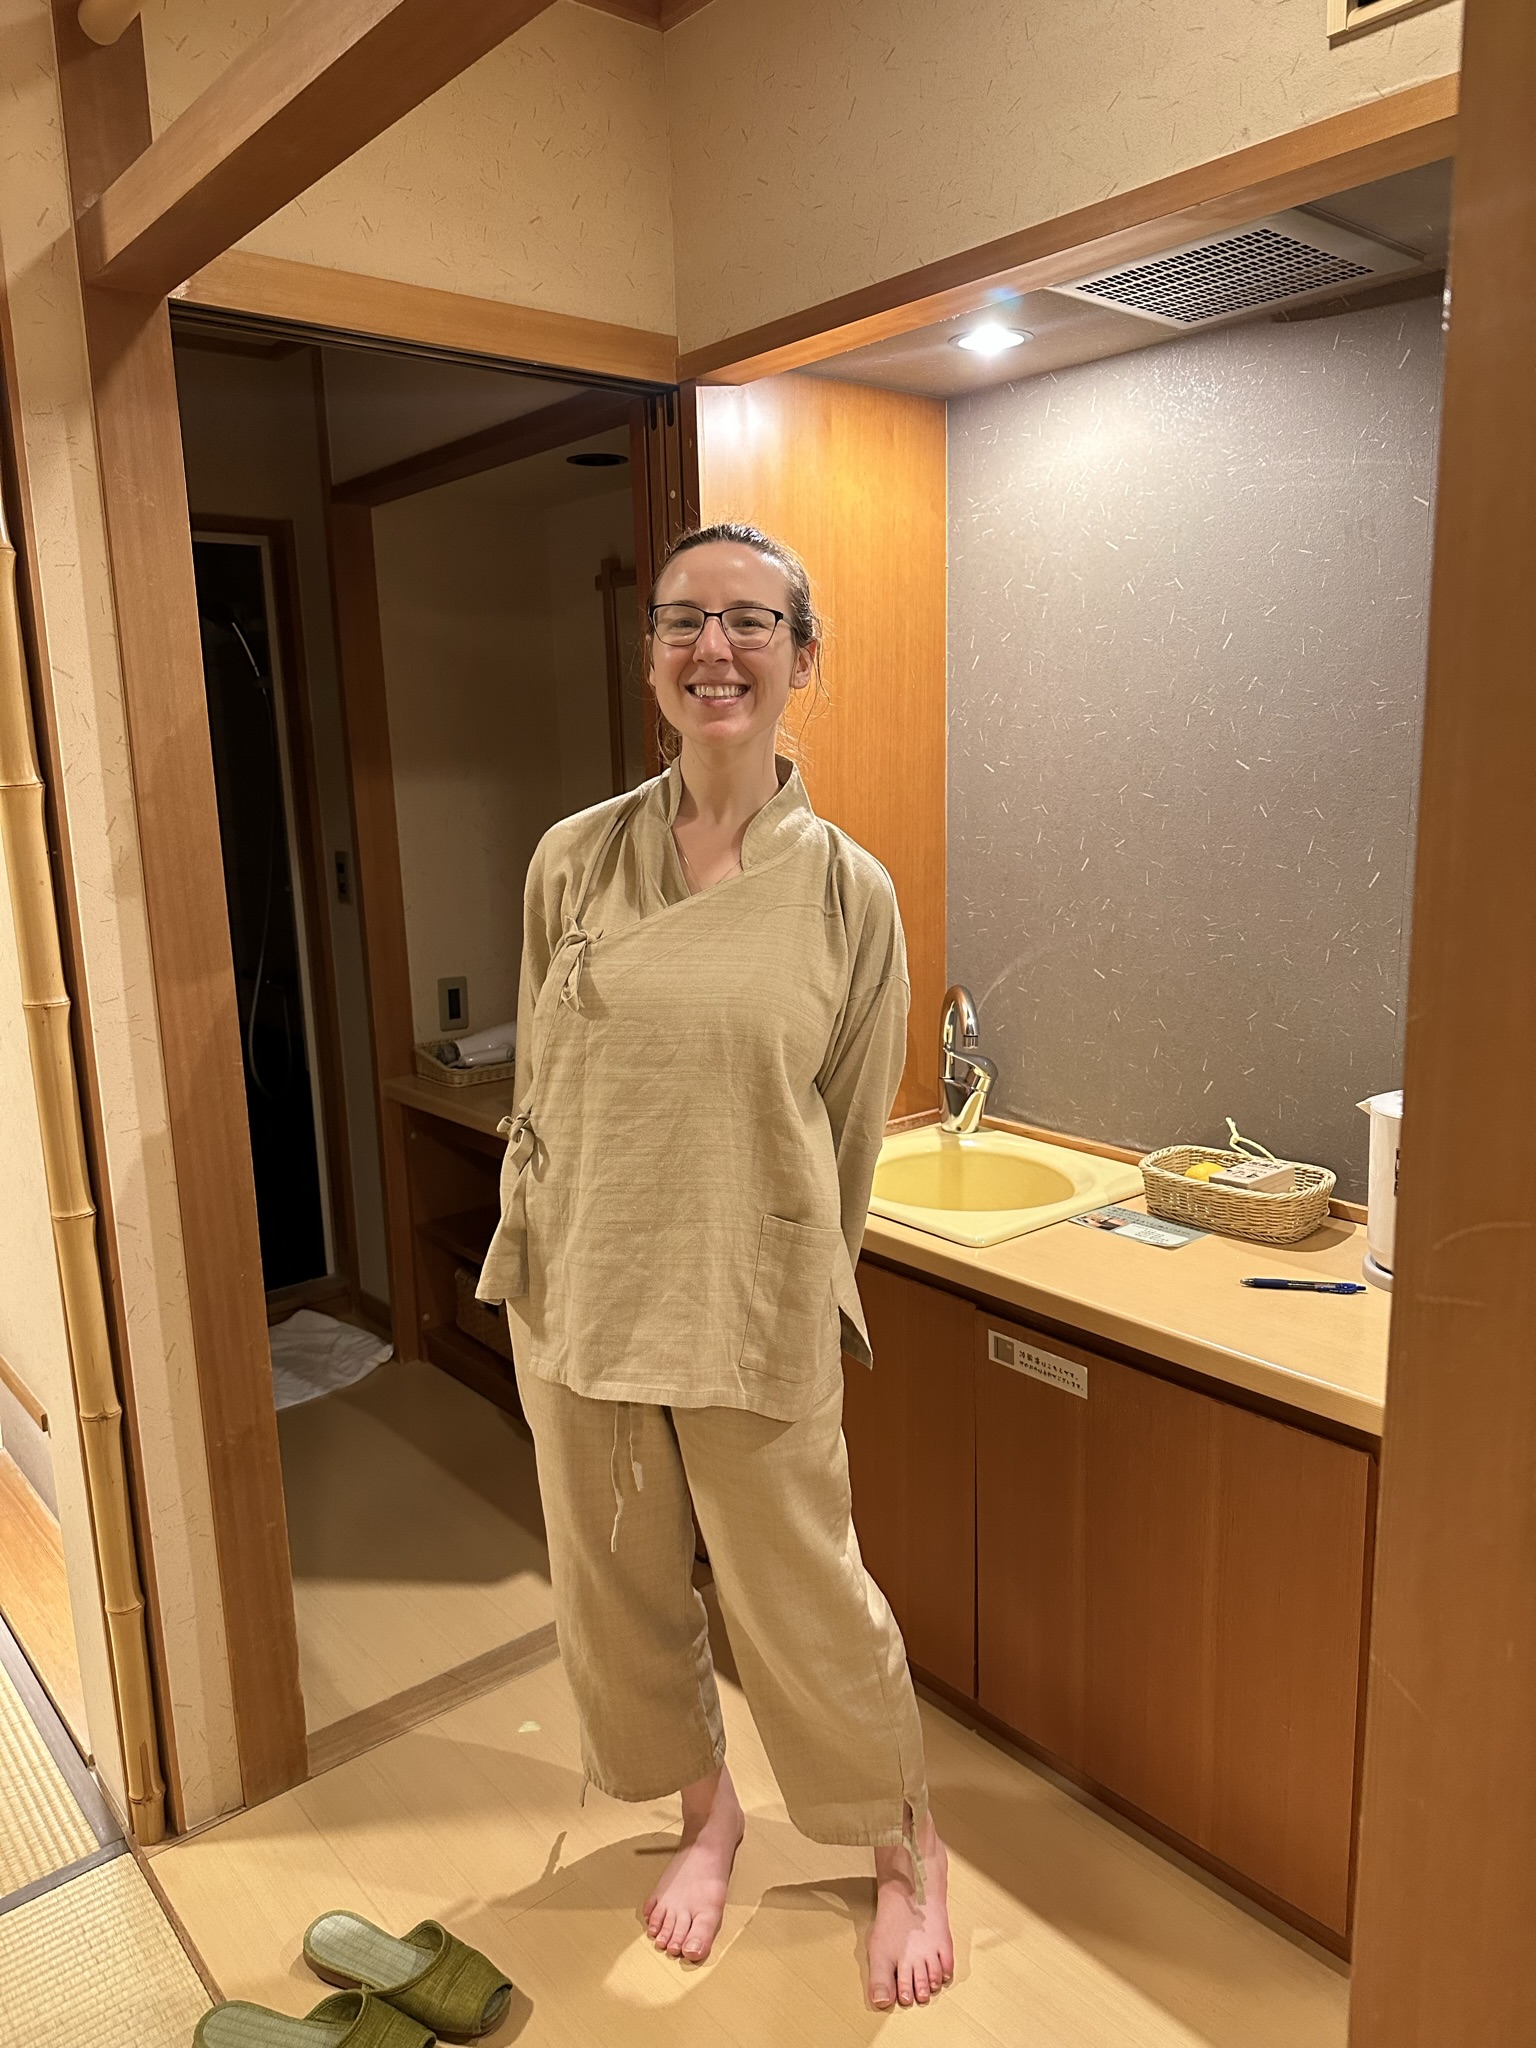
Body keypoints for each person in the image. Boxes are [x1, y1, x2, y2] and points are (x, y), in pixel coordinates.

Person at [476, 522, 954, 2010]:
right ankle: (708, 1814)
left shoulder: (845, 895)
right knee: (617, 1594)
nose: (713, 651)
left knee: (805, 1595)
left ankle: (905, 1846)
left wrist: (804, 1279)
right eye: (684, 622)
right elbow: (545, 1089)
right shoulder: (575, 858)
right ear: (652, 660)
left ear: (804, 657)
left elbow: (848, 1137)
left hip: (751, 1300)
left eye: (751, 623)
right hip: (582, 1296)